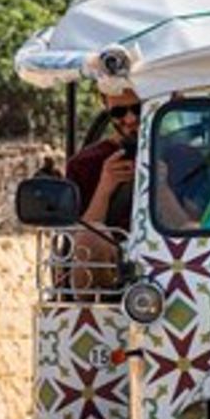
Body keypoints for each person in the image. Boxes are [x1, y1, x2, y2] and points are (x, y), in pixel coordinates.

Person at [61, 88, 140, 289]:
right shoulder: (85, 164)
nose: (130, 120)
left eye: (139, 108)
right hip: (107, 277)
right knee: (92, 235)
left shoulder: (182, 156)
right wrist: (106, 186)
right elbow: (79, 241)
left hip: (174, 267)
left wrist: (161, 185)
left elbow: (198, 224)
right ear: (106, 107)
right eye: (119, 113)